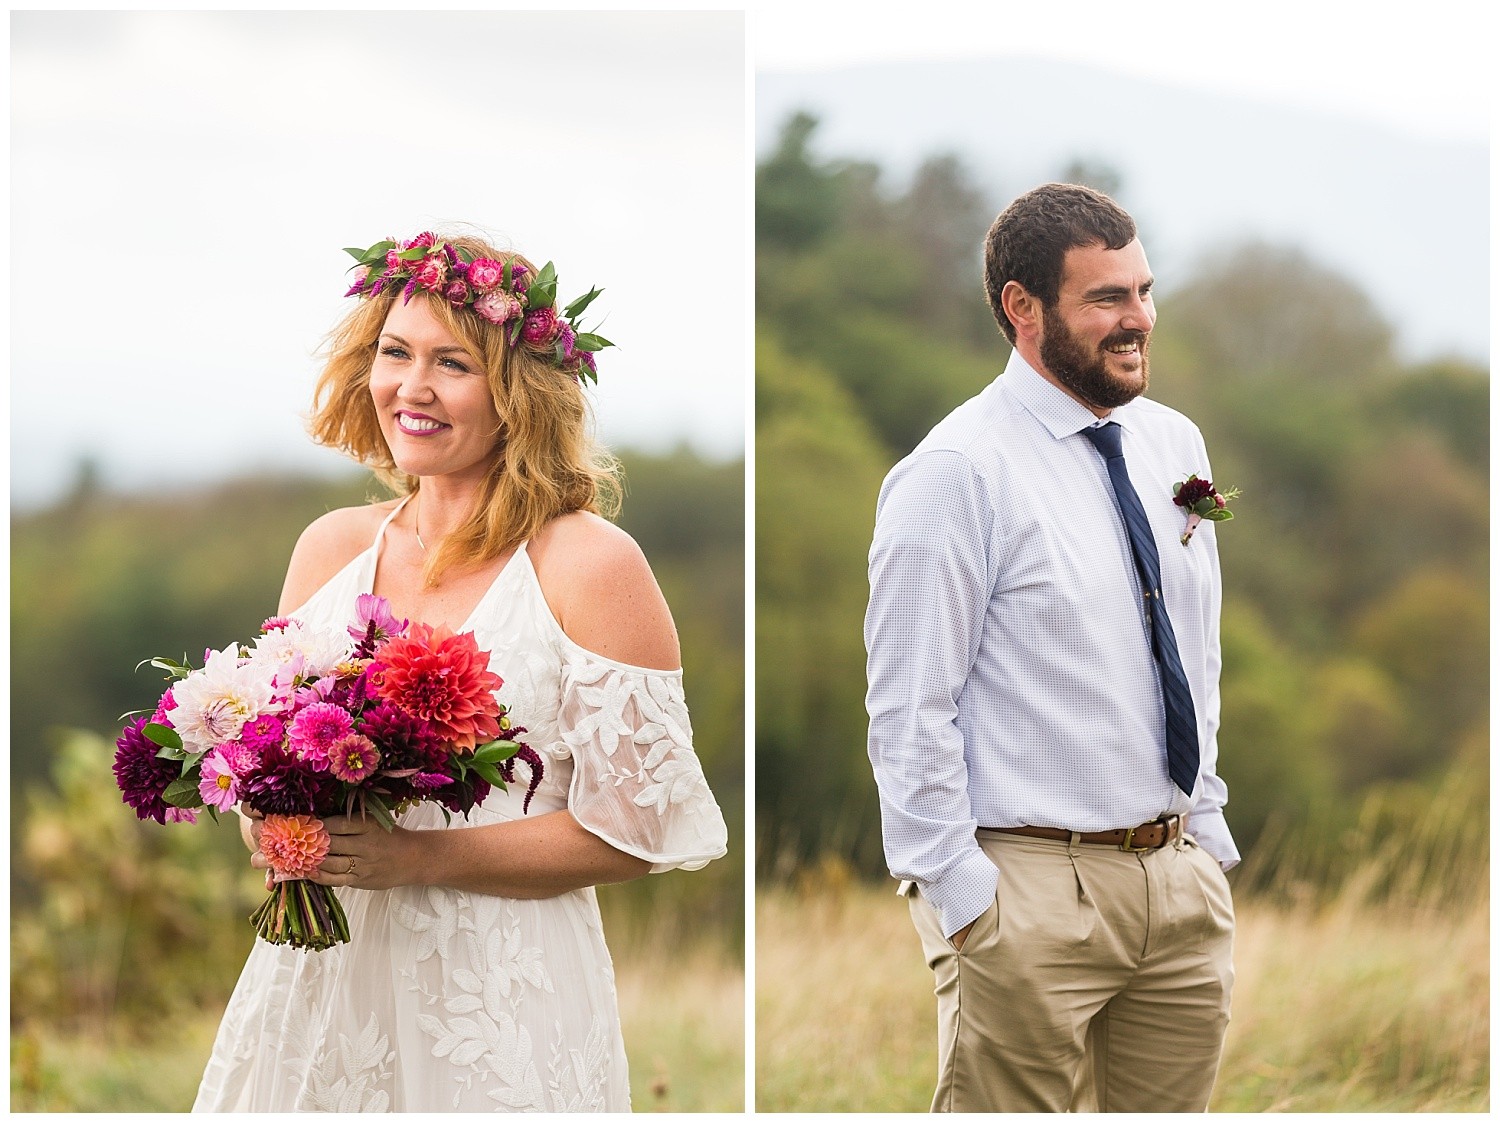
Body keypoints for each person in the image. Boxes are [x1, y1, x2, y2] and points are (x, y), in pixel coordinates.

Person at [192, 230, 729, 1112]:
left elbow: (637, 826)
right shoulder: (327, 548)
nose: (414, 386)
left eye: (454, 363)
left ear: (517, 393)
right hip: (321, 985)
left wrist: (413, 857)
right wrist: (271, 822)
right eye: (396, 352)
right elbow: (266, 749)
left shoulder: (591, 564)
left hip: (500, 1000)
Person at [865, 183, 1238, 1113]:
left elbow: (1195, 647)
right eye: (1107, 299)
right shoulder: (954, 476)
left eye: (1144, 291)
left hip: (1179, 879)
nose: (1139, 319)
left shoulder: (1171, 441)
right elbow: (910, 706)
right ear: (1021, 308)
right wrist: (965, 898)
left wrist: (1208, 836)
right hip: (1026, 886)